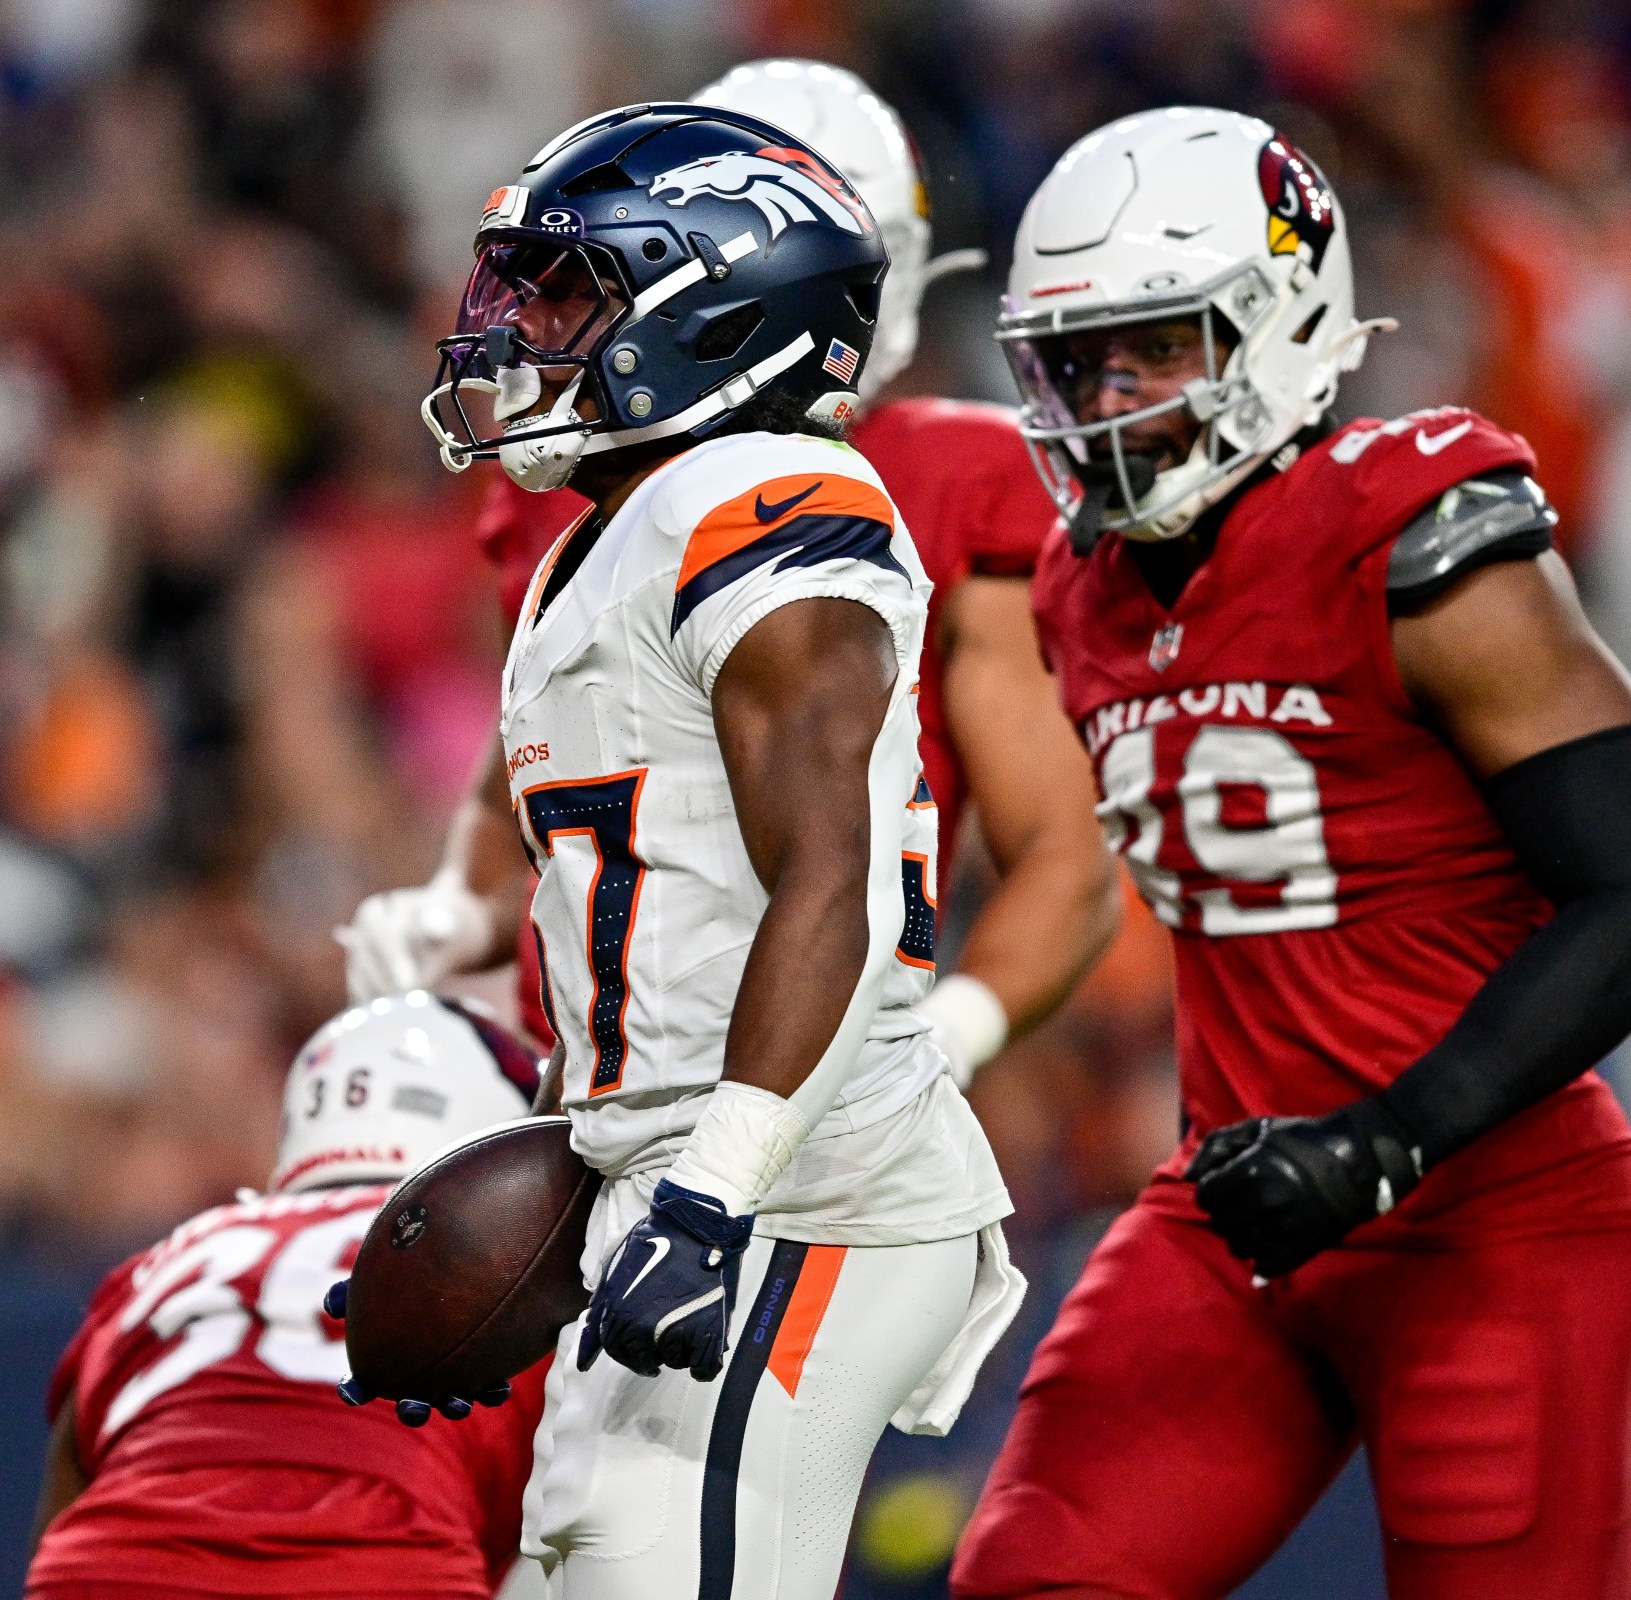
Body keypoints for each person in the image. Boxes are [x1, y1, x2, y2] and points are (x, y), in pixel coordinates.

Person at [949, 109, 1631, 1600]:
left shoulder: (1413, 537)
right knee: (1035, 1580)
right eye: (1077, 359)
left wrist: (1391, 1137)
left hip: (1488, 1216)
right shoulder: (1076, 592)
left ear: (1271, 326)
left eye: (1151, 348)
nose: (1107, 398)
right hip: (1238, 1202)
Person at [342, 103, 1023, 1600]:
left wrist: (713, 1190)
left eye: (570, 290)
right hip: (684, 1181)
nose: (521, 326)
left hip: (803, 1196)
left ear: (713, 308)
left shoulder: (767, 501)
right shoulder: (611, 536)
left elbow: (824, 882)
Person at [338, 61, 1116, 1089]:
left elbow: (1063, 859)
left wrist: (947, 1039)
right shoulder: (574, 467)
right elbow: (525, 776)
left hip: (784, 1064)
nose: (546, 322)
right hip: (573, 1072)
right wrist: (456, 904)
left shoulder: (943, 485)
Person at [25, 991, 543, 1600]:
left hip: (115, 1566)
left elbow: (70, 1477)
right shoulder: (515, 1260)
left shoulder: (173, 1253)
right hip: (373, 1567)